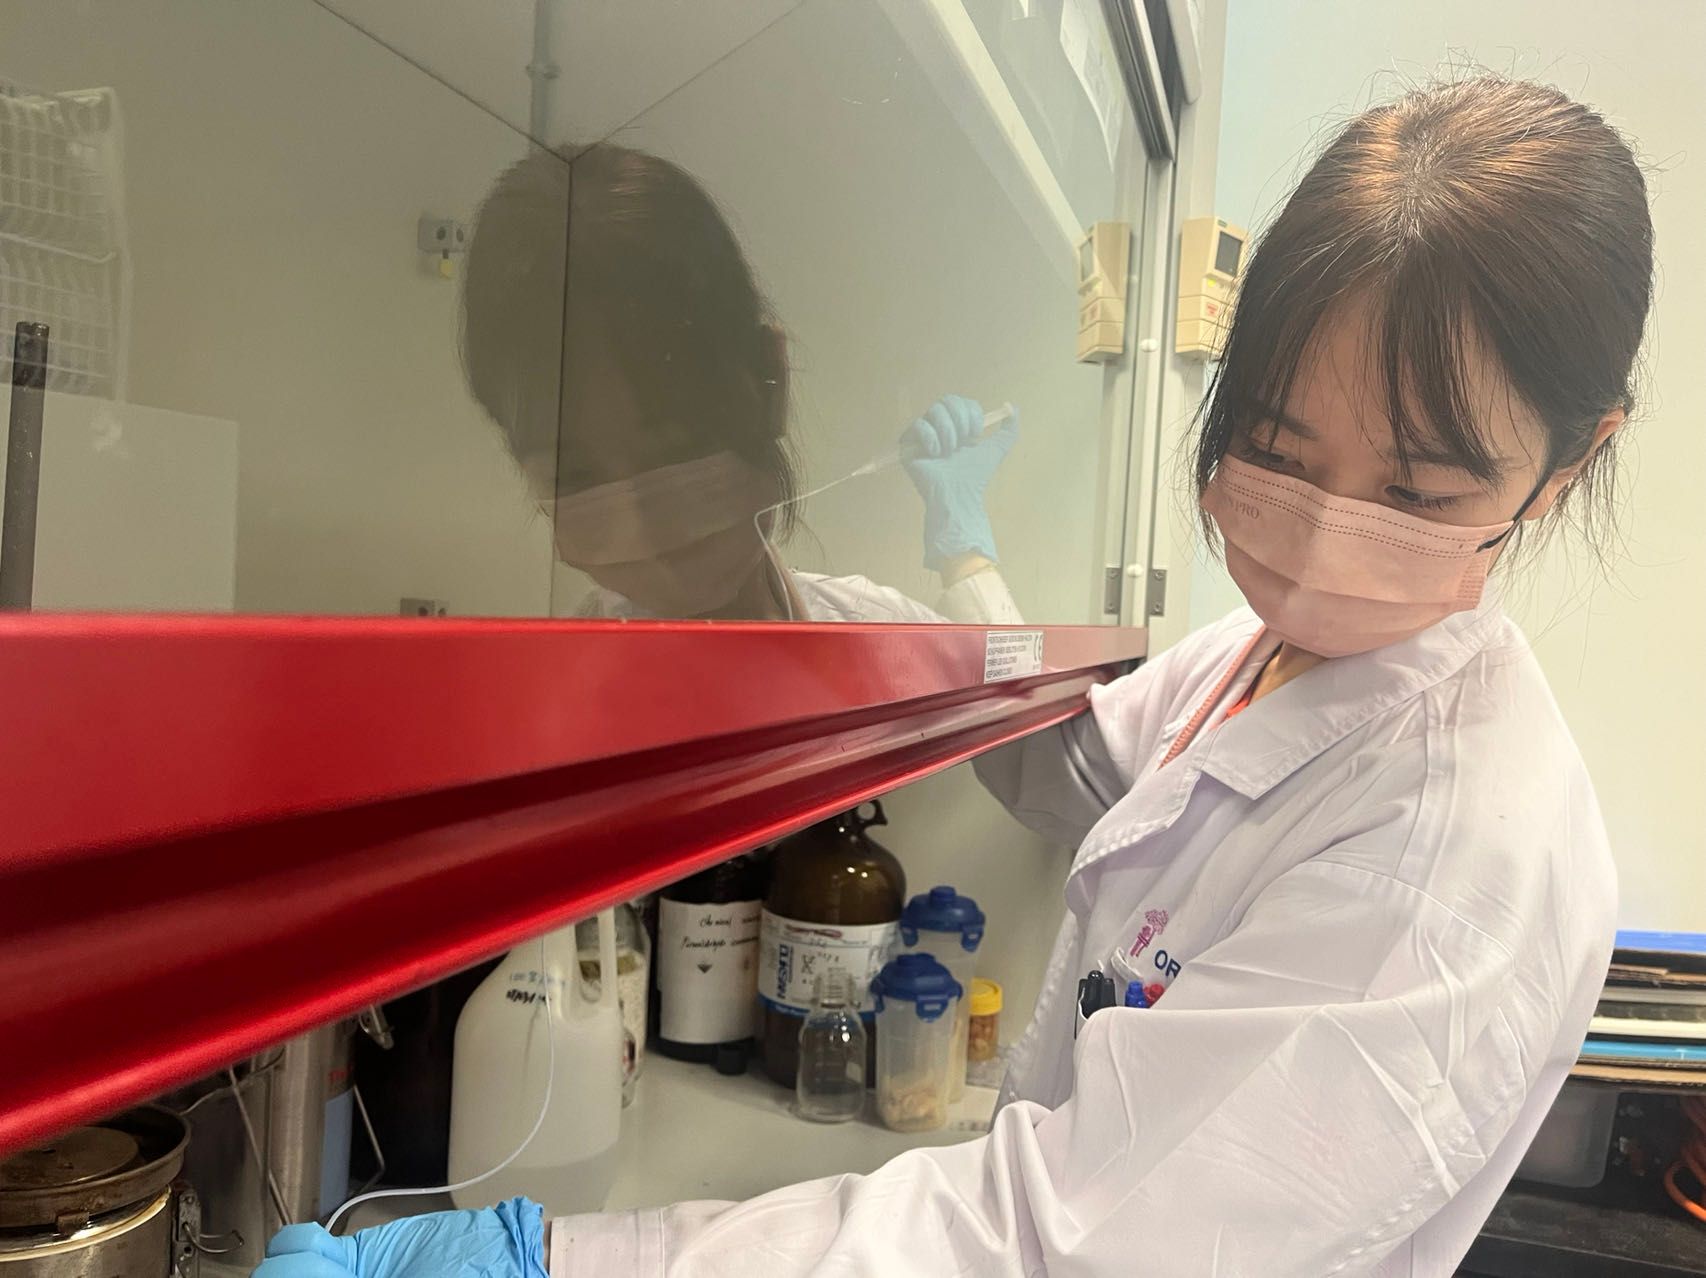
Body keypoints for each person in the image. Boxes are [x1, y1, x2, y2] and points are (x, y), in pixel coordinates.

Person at [257, 75, 1651, 1276]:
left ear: (1569, 457)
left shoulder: (1446, 868)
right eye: (1280, 452)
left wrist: (554, 1259)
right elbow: (1081, 769)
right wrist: (827, 620)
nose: (1321, 530)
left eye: (1413, 490)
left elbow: (1048, 1242)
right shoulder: (1275, 658)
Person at [457, 141, 1021, 626]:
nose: (647, 531)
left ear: (770, 382)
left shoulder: (874, 628)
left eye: (677, 445)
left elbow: (1013, 700)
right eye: (577, 477)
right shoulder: (551, 699)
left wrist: (966, 555)